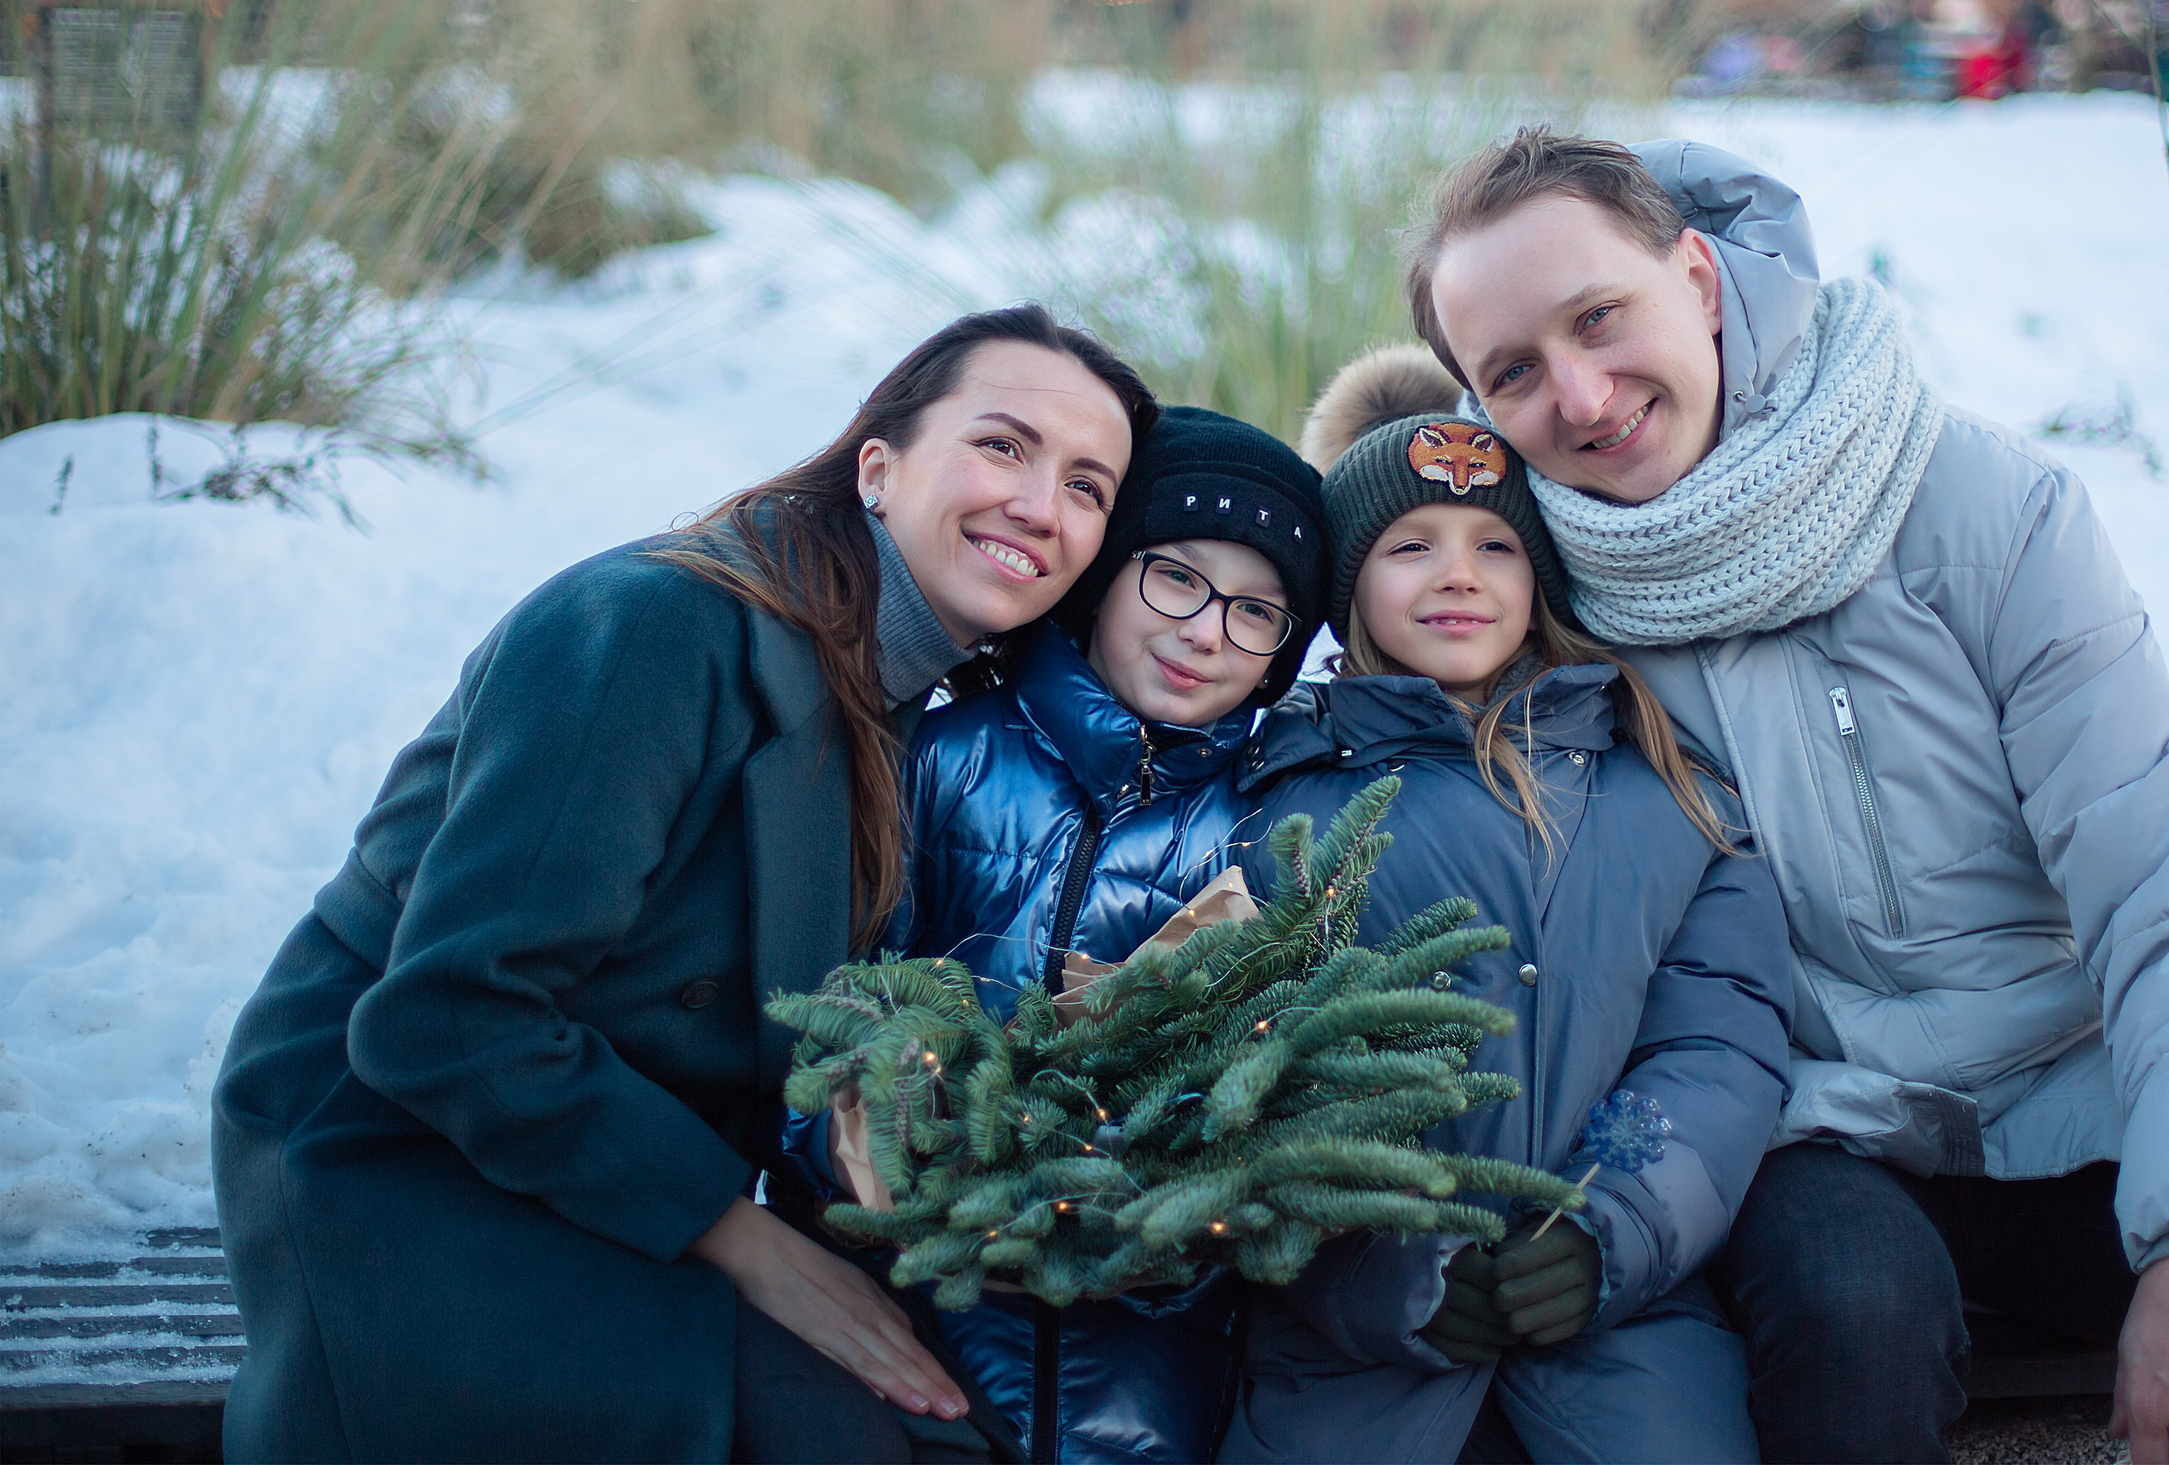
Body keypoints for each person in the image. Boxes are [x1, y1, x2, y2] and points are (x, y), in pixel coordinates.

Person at [1401, 129, 2169, 1465]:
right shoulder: (1535, 595)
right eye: (1514, 370)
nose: (1583, 390)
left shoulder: (1970, 500)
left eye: (1600, 315)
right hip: (1812, 1122)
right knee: (1855, 1307)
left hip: (2080, 1080)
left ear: (1701, 278)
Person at [210, 307, 1157, 1464]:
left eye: (1087, 486)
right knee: (857, 1442)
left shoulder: (914, 708)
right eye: (1002, 446)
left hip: (604, 1163)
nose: (1039, 504)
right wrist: (748, 1244)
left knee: (962, 1418)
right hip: (405, 1159)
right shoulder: (657, 629)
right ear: (877, 466)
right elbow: (451, 1018)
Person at [1214, 351, 1792, 1465]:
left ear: (1541, 578)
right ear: (1348, 588)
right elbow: (1254, 1090)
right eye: (1407, 546)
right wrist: (1377, 1270)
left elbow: (1717, 1045)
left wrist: (1610, 1229)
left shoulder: (1667, 797)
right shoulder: (1278, 807)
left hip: (1627, 1337)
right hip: (1353, 1365)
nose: (1457, 574)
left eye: (1494, 546)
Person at [779, 406, 1330, 1464]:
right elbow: (825, 1006)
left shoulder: (1266, 821)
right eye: (1176, 578)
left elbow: (1269, 1079)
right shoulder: (939, 759)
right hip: (910, 1317)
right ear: (1103, 578)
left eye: (1258, 613)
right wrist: (890, 1156)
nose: (1207, 630)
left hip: (1151, 1366)